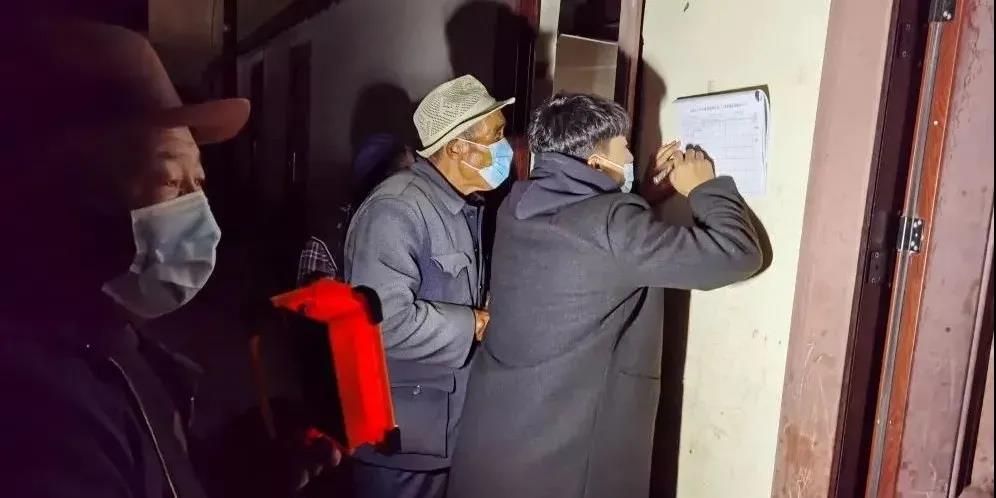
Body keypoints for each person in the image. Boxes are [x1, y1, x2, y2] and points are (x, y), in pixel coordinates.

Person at [0, 21, 335, 498]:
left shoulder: (115, 339)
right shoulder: (39, 415)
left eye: (198, 183)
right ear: (68, 195)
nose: (199, 213)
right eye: (169, 181)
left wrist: (241, 469)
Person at [447, 93, 763, 498]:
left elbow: (590, 242)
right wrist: (705, 187)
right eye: (625, 147)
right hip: (559, 465)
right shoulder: (612, 226)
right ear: (595, 163)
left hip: (494, 444)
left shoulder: (516, 205)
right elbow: (737, 254)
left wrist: (640, 195)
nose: (632, 156)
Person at [343, 74, 514, 498]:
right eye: (496, 136)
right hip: (402, 440)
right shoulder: (397, 208)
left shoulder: (459, 206)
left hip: (443, 429)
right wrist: (474, 323)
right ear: (458, 147)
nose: (506, 147)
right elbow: (382, 321)